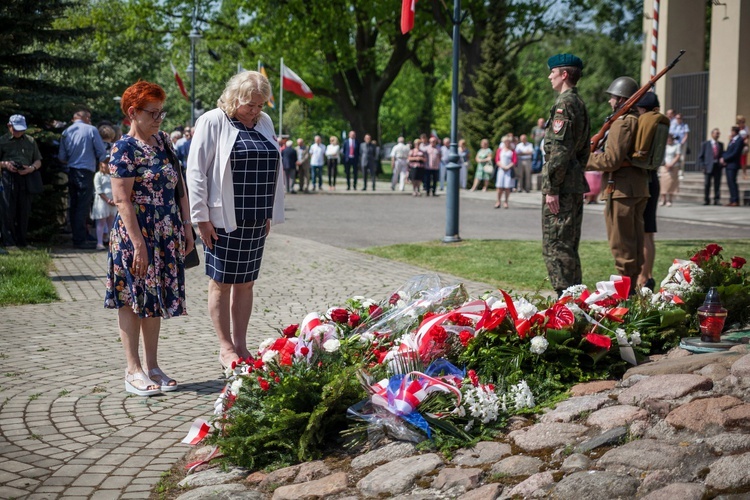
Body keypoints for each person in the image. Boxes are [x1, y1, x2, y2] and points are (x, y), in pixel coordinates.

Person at [187, 70, 285, 369]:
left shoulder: (264, 122)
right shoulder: (213, 120)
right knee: (221, 283)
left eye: (259, 105)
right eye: (249, 105)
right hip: (223, 218)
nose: (255, 111)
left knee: (246, 283)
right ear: (234, 98)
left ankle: (241, 344)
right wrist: (200, 218)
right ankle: (225, 346)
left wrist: (269, 211)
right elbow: (196, 171)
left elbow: (272, 168)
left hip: (256, 217)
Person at [105, 81, 194, 396]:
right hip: (135, 235)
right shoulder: (123, 149)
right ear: (133, 112)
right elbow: (122, 200)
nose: (159, 118)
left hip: (166, 232)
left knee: (153, 299)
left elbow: (178, 183)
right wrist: (139, 243)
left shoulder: (164, 141)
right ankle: (133, 369)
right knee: (132, 298)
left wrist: (186, 225)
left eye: (161, 112)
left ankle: (153, 366)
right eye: (152, 113)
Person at [587, 75, 648, 294]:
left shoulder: (623, 122)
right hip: (636, 188)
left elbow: (611, 160)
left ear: (621, 99)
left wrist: (583, 159)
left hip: (622, 190)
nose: (610, 102)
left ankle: (626, 293)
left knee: (622, 243)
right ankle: (632, 286)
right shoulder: (637, 119)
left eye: (613, 97)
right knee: (633, 240)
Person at [541, 54, 590, 296]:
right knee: (568, 244)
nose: (549, 76)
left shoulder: (565, 104)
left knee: (557, 244)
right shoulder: (578, 103)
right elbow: (583, 151)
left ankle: (566, 302)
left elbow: (559, 151)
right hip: (571, 183)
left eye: (553, 72)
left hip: (561, 187)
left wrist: (552, 187)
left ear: (564, 75)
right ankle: (573, 298)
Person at [59, 109, 107, 249]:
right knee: (83, 206)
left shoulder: (66, 132)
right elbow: (102, 152)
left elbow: (62, 157)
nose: (90, 120)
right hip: (86, 172)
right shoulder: (91, 130)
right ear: (84, 117)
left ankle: (77, 236)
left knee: (73, 205)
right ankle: (80, 240)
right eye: (89, 118)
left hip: (72, 171)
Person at [634, 92, 664, 291]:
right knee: (648, 234)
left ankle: (643, 279)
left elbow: (639, 152)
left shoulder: (648, 123)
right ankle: (648, 276)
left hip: (645, 179)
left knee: (643, 234)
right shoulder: (661, 123)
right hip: (653, 178)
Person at [0, 114, 43, 249]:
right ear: (9, 126)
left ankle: (22, 242)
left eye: (21, 130)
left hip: (26, 177)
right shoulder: (2, 141)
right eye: (16, 129)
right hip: (8, 177)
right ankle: (9, 242)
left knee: (24, 210)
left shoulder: (30, 141)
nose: (19, 132)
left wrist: (31, 168)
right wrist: (6, 165)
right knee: (8, 210)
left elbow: (38, 160)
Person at [91, 131, 118, 251]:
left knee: (111, 223)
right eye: (105, 163)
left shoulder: (113, 175)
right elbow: (98, 189)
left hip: (113, 201)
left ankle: (112, 242)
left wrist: (114, 199)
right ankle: (99, 242)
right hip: (102, 201)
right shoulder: (98, 175)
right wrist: (107, 199)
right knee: (101, 223)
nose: (107, 166)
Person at [697, 128, 724, 206]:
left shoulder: (721, 144)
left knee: (717, 184)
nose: (717, 135)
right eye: (716, 133)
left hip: (717, 167)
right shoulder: (705, 144)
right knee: (707, 184)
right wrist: (702, 166)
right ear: (712, 134)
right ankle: (706, 200)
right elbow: (701, 156)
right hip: (708, 167)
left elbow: (721, 155)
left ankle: (717, 199)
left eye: (718, 133)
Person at [721, 126, 747, 206]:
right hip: (728, 164)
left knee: (732, 182)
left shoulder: (739, 140)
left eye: (731, 131)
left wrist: (725, 159)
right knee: (729, 182)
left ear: (734, 132)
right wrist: (723, 158)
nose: (730, 133)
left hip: (733, 164)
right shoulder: (732, 140)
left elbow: (735, 153)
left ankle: (735, 200)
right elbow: (728, 151)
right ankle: (732, 200)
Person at [658, 135, 681, 207]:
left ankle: (669, 199)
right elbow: (661, 156)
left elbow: (678, 155)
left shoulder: (677, 145)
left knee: (672, 183)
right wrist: (665, 164)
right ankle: (663, 199)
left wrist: (671, 164)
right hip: (664, 166)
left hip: (674, 166)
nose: (668, 140)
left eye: (670, 139)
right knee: (663, 183)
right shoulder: (663, 146)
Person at [495, 135, 516, 209]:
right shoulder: (500, 150)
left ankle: (506, 202)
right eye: (506, 142)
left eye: (508, 142)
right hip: (501, 169)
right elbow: (497, 159)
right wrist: (502, 166)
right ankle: (498, 201)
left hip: (508, 170)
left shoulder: (512, 151)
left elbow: (514, 161)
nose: (507, 143)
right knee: (499, 187)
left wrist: (508, 167)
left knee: (507, 187)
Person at [669, 112, 689, 179]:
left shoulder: (684, 125)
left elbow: (686, 135)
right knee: (673, 158)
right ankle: (674, 172)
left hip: (682, 144)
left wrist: (682, 142)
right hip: (674, 144)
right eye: (677, 118)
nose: (678, 119)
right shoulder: (673, 125)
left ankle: (681, 173)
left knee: (682, 159)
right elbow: (670, 134)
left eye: (679, 118)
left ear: (681, 119)